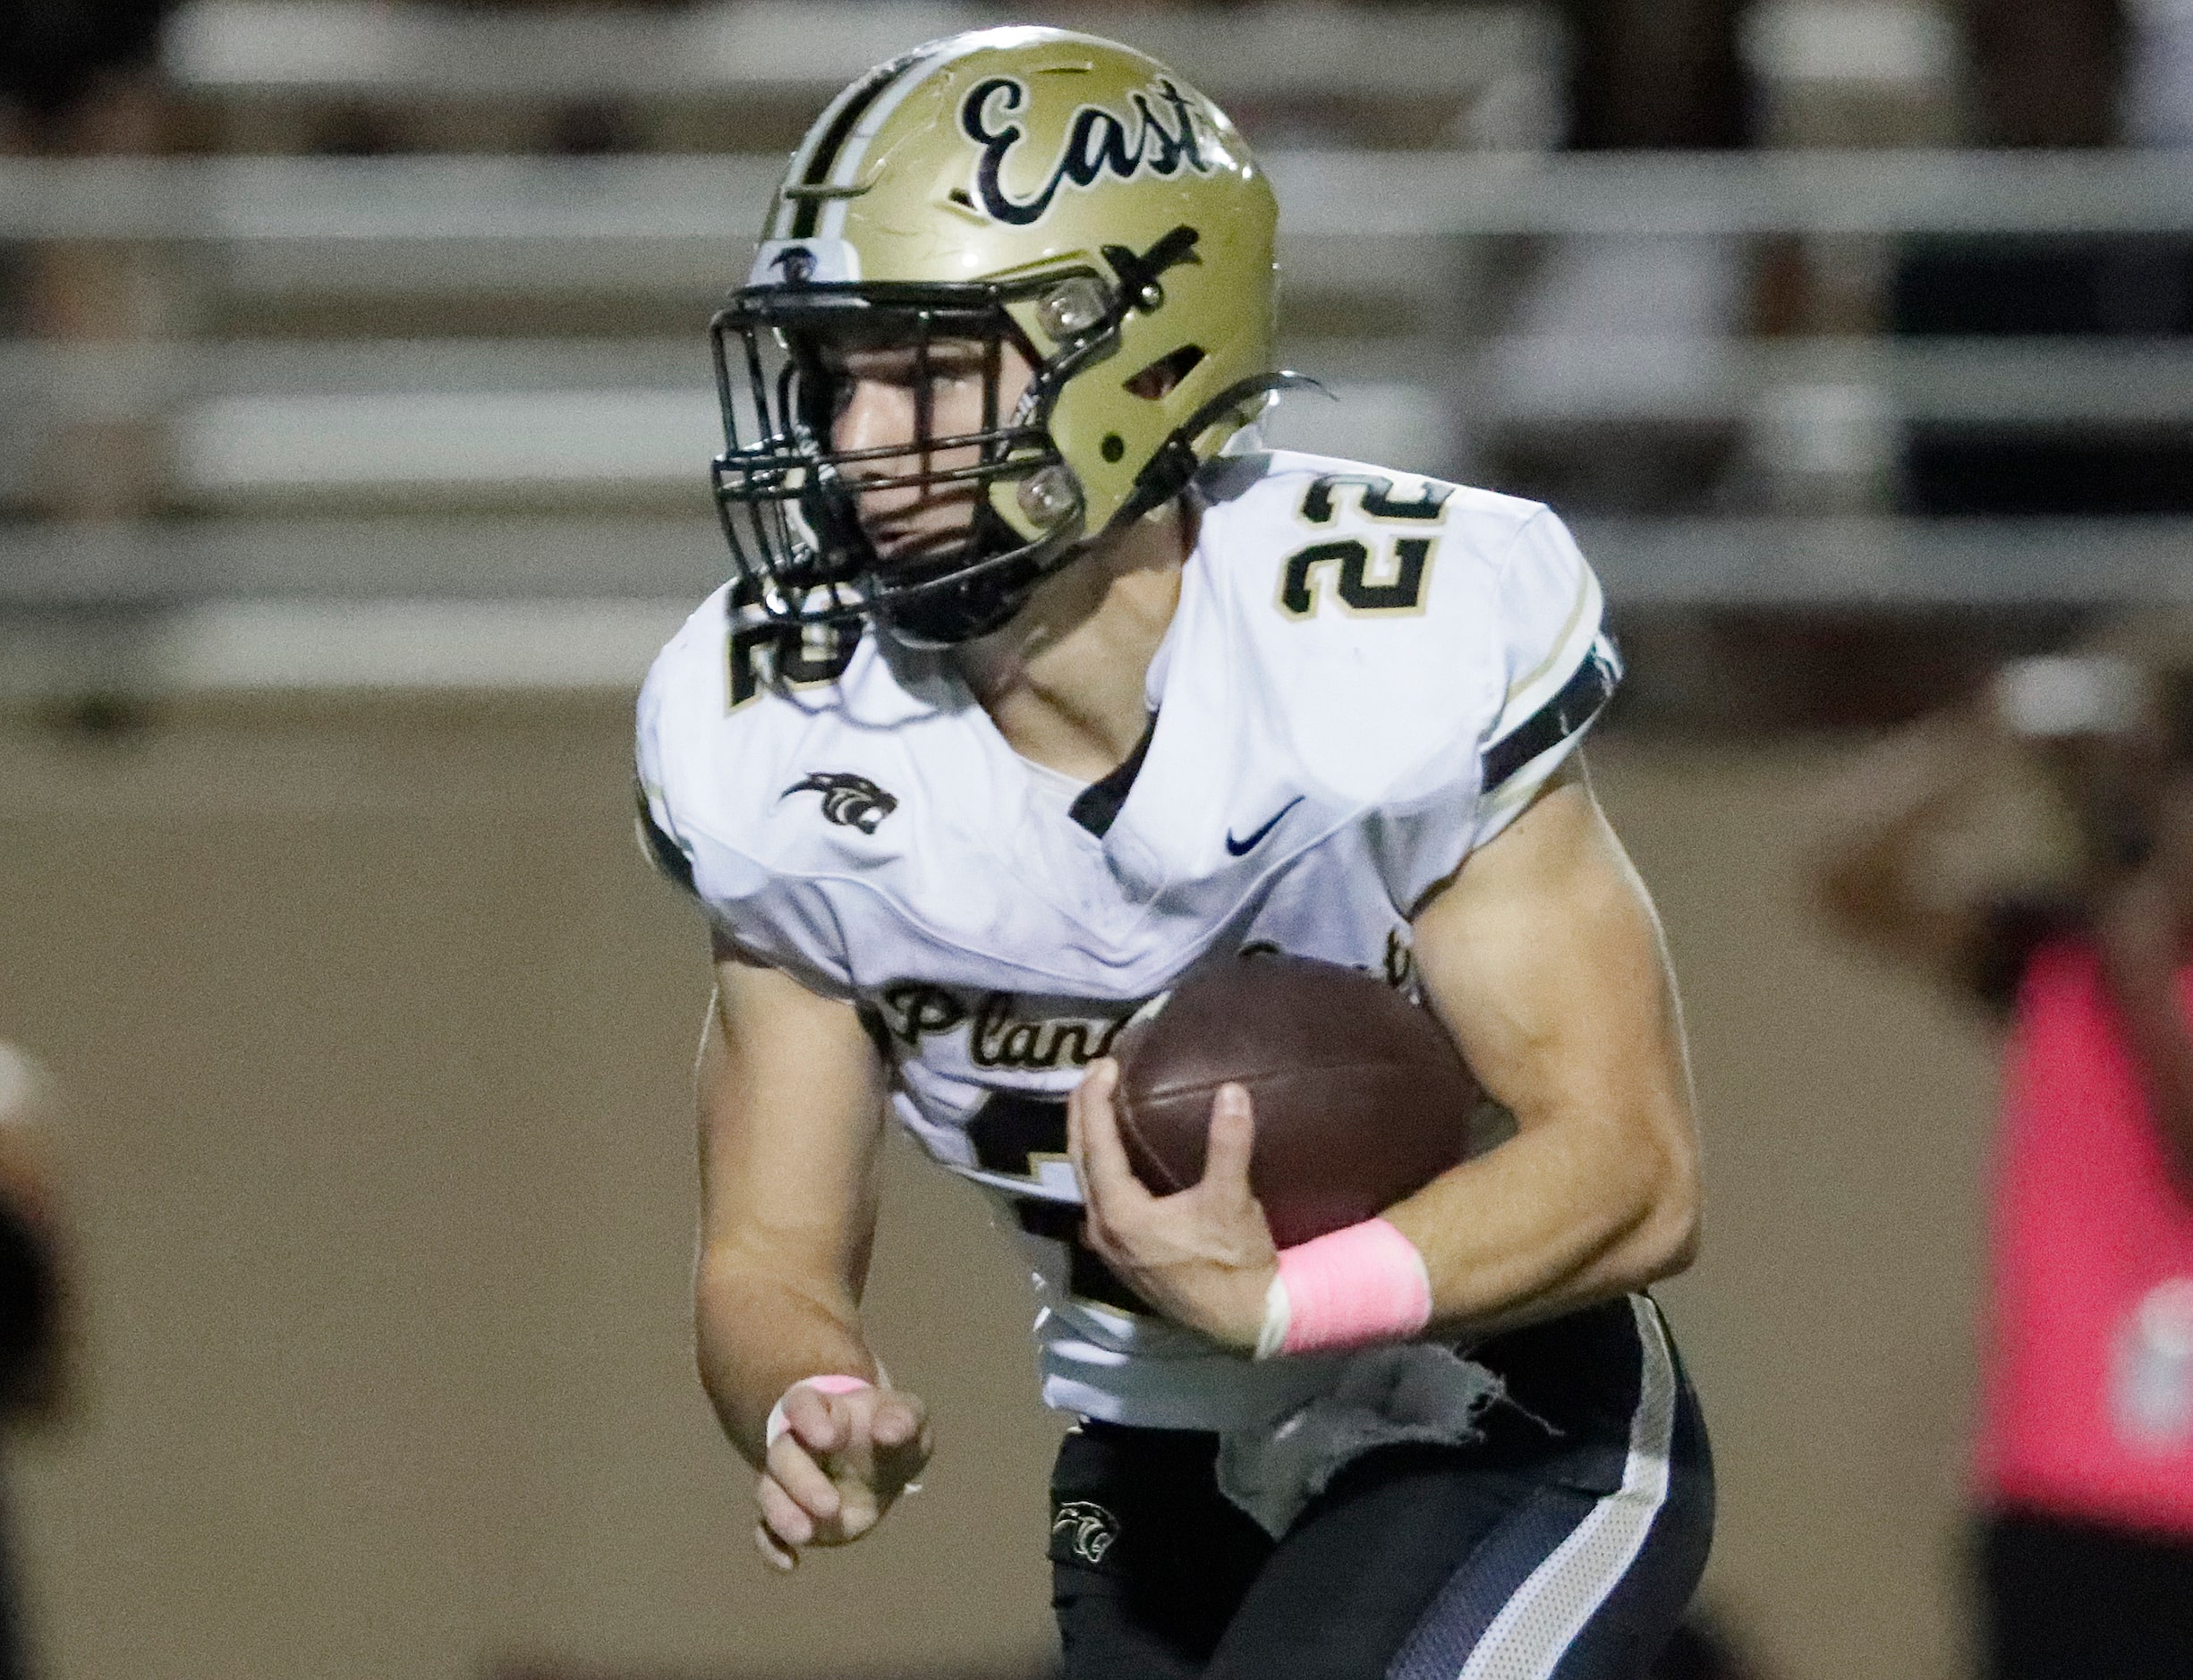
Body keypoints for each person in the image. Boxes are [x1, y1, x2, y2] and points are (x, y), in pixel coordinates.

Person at [635, 29, 1711, 1676]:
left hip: (1496, 1409)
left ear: (1135, 358)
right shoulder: (778, 729)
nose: (856, 439)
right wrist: (805, 1390)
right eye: (834, 374)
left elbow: (1632, 1166)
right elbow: (766, 1251)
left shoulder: (1383, 634)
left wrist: (1291, 1300)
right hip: (1140, 1469)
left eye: (921, 373)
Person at [1815, 643, 2193, 1680]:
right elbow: (1848, 878)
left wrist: (2129, 913)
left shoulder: (2118, 954)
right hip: (2066, 1502)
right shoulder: (2058, 957)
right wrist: (1984, 729)